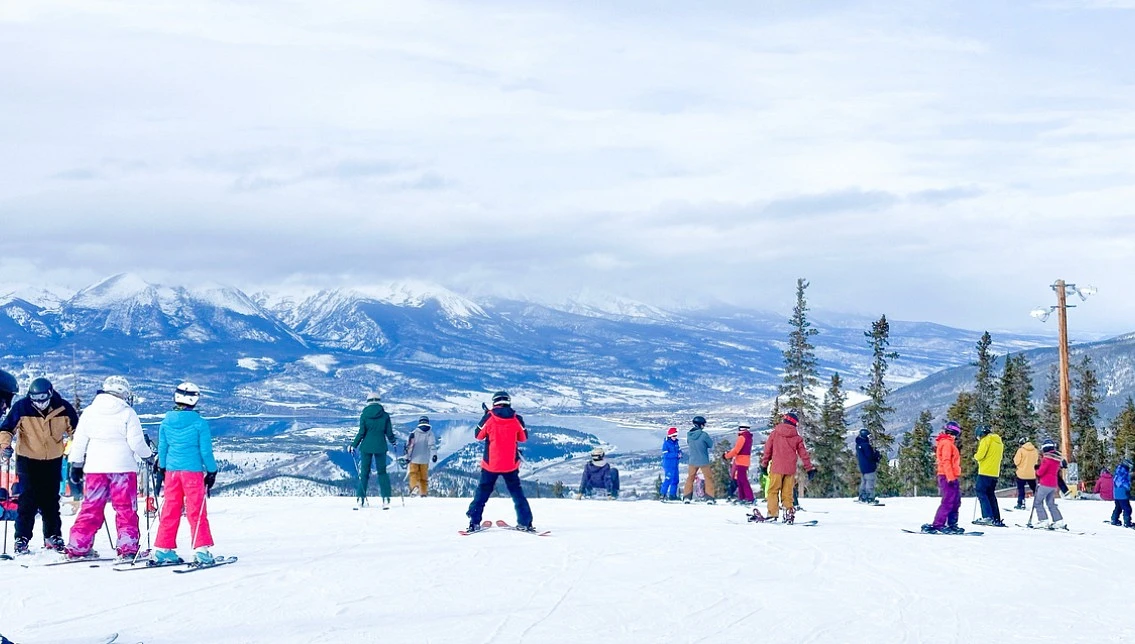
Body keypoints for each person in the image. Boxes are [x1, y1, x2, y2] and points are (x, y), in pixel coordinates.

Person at [66, 376, 154, 559]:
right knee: (125, 509)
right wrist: (149, 456)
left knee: (91, 507)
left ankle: (77, 546)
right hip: (123, 468)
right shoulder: (128, 413)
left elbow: (79, 442)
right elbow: (136, 442)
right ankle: (128, 547)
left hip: (95, 468)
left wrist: (76, 464)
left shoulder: (90, 412)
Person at [0, 377, 78, 554]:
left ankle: (53, 535)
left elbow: (77, 431)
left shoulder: (63, 408)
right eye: (35, 399)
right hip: (28, 458)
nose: (39, 403)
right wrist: (5, 446)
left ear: (50, 394)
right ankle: (22, 537)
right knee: (28, 498)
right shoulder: (22, 407)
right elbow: (6, 430)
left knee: (50, 499)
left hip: (53, 458)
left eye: (43, 399)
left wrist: (79, 450)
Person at [150, 383, 218, 565]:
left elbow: (163, 448)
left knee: (170, 509)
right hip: (192, 472)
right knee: (196, 509)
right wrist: (212, 471)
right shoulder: (199, 423)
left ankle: (163, 549)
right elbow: (206, 452)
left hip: (172, 472)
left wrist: (162, 468)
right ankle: (201, 550)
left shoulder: (166, 422)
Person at [465, 391, 535, 532]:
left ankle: (474, 521)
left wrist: (485, 416)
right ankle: (525, 522)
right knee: (517, 493)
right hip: (510, 464)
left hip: (491, 464)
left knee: (483, 493)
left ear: (494, 402)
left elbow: (478, 435)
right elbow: (523, 438)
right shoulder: (516, 419)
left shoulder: (489, 418)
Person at [759, 410, 815, 524]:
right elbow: (804, 454)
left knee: (773, 491)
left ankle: (772, 513)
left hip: (776, 468)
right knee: (787, 493)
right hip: (790, 469)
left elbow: (767, 450)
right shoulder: (797, 438)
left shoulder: (775, 433)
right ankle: (788, 513)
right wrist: (809, 469)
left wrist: (764, 464)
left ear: (784, 420)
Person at [349, 393, 397, 509]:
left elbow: (361, 433)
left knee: (364, 473)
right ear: (379, 401)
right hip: (381, 446)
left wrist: (353, 445)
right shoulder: (385, 416)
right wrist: (393, 442)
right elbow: (389, 432)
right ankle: (386, 499)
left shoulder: (364, 415)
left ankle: (360, 499)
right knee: (382, 473)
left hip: (366, 447)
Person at [922, 421, 964, 534]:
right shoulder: (946, 443)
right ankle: (938, 524)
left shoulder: (948, 443)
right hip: (947, 476)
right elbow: (946, 461)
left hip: (951, 476)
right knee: (948, 501)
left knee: (955, 501)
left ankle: (952, 524)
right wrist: (950, 477)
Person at [973, 425, 1005, 527]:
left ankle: (987, 516)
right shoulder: (998, 441)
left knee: (981, 492)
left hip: (985, 471)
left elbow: (980, 455)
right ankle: (996, 518)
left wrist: (975, 456)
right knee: (990, 494)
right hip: (994, 473)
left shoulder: (986, 440)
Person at [1032, 441, 1066, 530]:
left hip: (1045, 484)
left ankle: (1043, 520)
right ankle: (1058, 520)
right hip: (1053, 484)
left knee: (1038, 502)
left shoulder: (1047, 459)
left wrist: (1036, 471)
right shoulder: (1057, 459)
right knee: (1051, 503)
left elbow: (1041, 472)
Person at [682, 416, 715, 504]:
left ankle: (687, 497)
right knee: (708, 478)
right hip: (703, 460)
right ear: (701, 425)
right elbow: (710, 444)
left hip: (692, 460)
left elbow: (689, 443)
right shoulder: (704, 435)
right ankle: (710, 498)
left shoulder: (689, 435)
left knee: (690, 478)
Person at [405, 416, 438, 497]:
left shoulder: (414, 433)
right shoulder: (430, 433)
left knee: (413, 474)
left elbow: (410, 447)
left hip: (414, 458)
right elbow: (432, 445)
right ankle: (423, 493)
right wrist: (434, 455)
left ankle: (414, 487)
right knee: (424, 478)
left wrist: (407, 457)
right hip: (425, 460)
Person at [723, 423, 755, 505]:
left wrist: (726, 455)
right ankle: (743, 497)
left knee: (743, 480)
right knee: (741, 480)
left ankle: (749, 498)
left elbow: (736, 450)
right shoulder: (749, 437)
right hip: (745, 461)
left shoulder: (742, 437)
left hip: (740, 461)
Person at [855, 428, 882, 505]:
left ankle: (862, 497)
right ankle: (870, 498)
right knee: (870, 482)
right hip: (869, 467)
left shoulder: (859, 445)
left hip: (862, 467)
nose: (869, 437)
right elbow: (870, 456)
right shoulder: (866, 446)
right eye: (868, 435)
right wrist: (877, 455)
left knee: (864, 482)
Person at [1013, 437, 1039, 510]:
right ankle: (1039, 501)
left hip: (1022, 473)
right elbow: (1036, 461)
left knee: (1021, 489)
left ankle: (1021, 503)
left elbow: (1016, 461)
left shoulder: (1021, 450)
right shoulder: (1035, 450)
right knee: (1034, 488)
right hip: (1032, 473)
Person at [659, 427, 682, 501]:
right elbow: (666, 455)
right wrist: (676, 455)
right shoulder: (666, 444)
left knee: (675, 480)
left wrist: (680, 454)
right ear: (670, 436)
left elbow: (679, 450)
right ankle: (663, 494)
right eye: (674, 436)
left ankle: (672, 495)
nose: (675, 437)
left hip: (675, 464)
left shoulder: (676, 442)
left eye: (676, 436)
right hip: (668, 465)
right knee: (668, 479)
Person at [1109, 459, 1132, 527]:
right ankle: (1127, 522)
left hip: (1116, 492)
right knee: (1127, 508)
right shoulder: (1125, 472)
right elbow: (1125, 483)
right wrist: (1128, 489)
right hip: (1122, 492)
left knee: (1118, 507)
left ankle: (1114, 519)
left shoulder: (1118, 471)